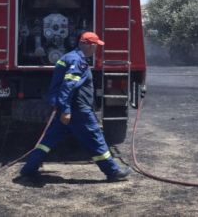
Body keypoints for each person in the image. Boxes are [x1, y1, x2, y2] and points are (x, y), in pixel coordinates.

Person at [20, 31, 132, 182]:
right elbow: (68, 86)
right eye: (95, 46)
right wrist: (66, 110)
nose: (96, 49)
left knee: (48, 140)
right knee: (95, 139)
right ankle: (113, 172)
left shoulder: (69, 57)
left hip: (68, 108)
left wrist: (63, 109)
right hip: (79, 110)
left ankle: (28, 169)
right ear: (88, 45)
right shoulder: (78, 62)